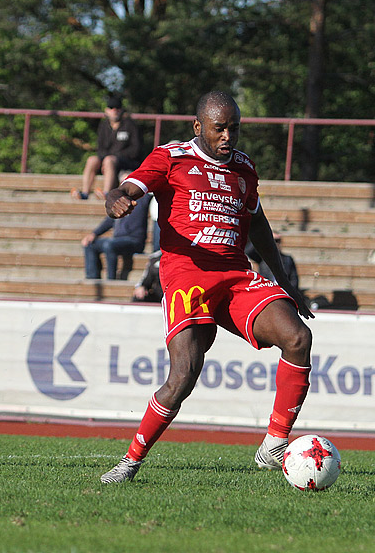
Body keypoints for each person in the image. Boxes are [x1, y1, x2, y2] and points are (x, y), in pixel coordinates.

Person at [99, 90, 314, 484]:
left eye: (234, 128)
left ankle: (275, 443)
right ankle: (129, 462)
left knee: (298, 337)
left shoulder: (245, 168)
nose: (228, 137)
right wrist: (114, 197)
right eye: (220, 129)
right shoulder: (171, 157)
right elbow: (129, 190)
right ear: (198, 127)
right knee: (183, 376)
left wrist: (285, 281)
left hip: (234, 275)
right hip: (186, 276)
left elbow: (259, 224)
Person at [72, 95, 140, 200]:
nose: (114, 110)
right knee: (92, 160)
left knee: (109, 160)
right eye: (111, 108)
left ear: (121, 110)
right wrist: (104, 160)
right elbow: (100, 148)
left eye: (117, 108)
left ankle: (106, 193)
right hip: (108, 160)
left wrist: (113, 158)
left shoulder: (130, 125)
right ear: (106, 110)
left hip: (126, 161)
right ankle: (85, 193)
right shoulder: (104, 125)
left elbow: (135, 149)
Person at [82, 192, 151, 280]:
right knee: (90, 244)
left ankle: (111, 279)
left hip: (134, 240)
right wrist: (94, 234)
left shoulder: (142, 199)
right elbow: (109, 221)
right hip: (117, 240)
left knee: (109, 245)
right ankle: (92, 278)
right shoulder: (120, 201)